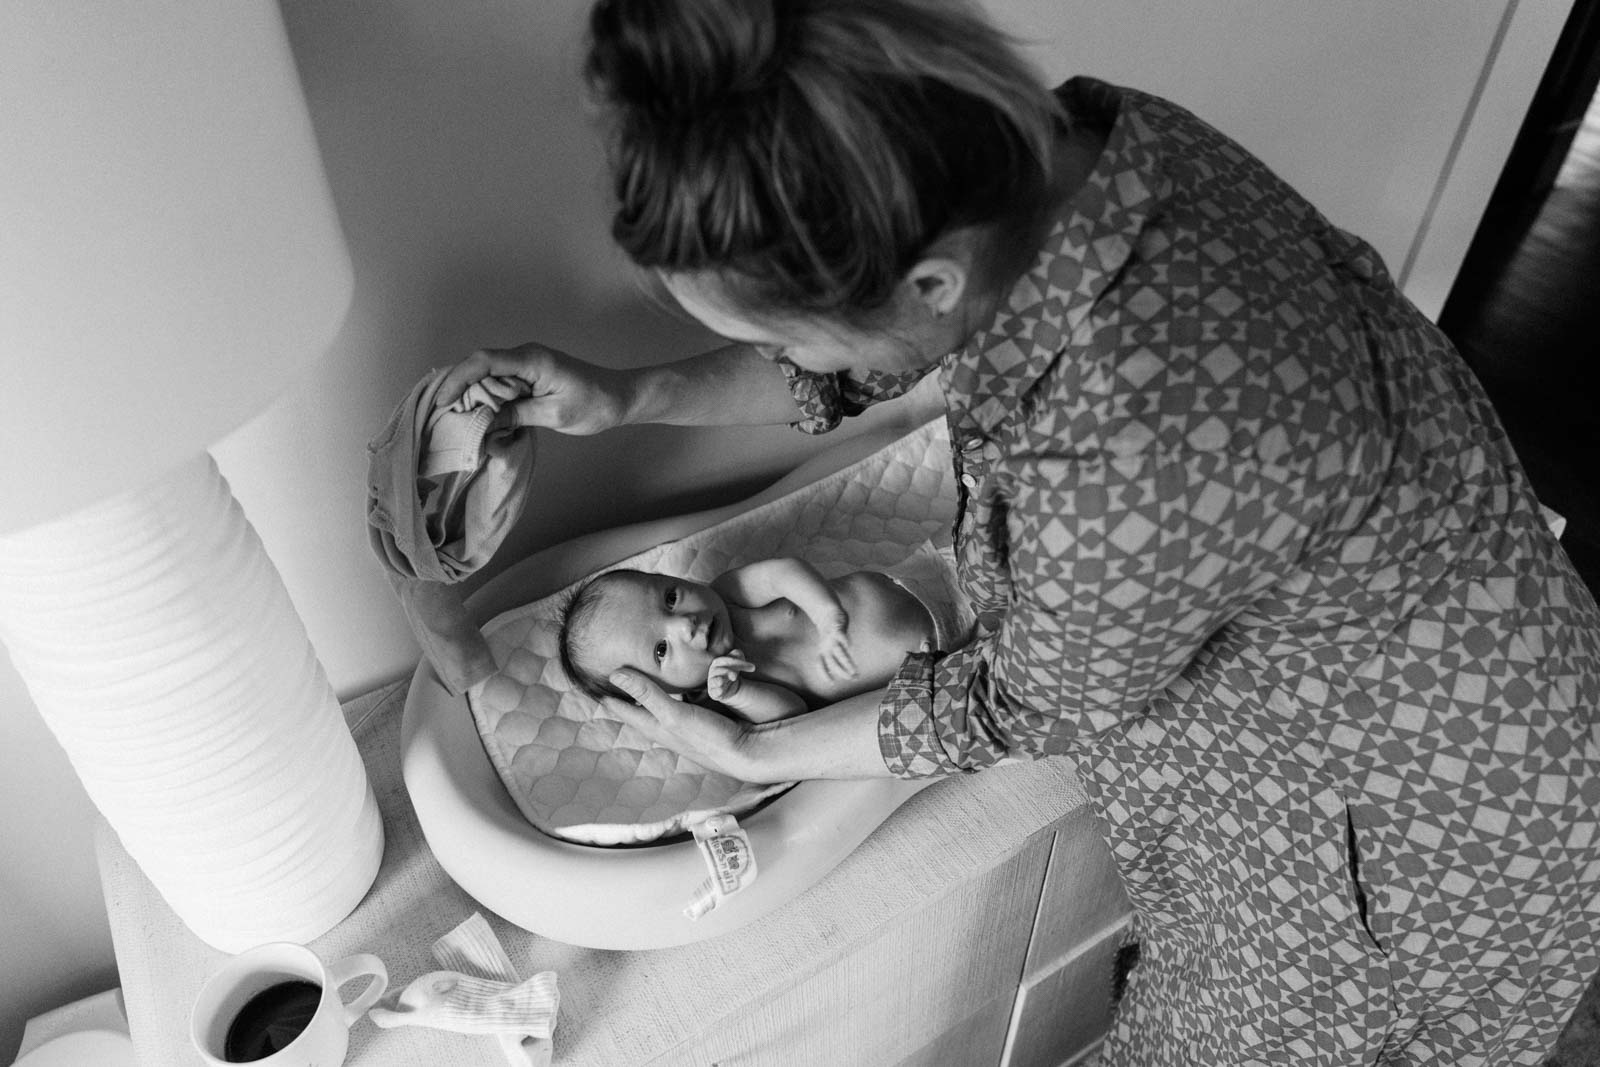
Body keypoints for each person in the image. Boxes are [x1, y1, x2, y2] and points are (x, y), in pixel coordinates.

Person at [436, 0, 1600, 1062]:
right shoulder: (1095, 153)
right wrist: (627, 397)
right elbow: (881, 368)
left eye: (794, 343)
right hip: (1483, 655)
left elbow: (1019, 699)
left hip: (1418, 824)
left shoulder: (1132, 445)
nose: (798, 372)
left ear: (932, 285)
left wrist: (757, 754)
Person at [556, 557, 937, 723]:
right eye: (661, 650)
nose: (685, 624)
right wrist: (738, 694)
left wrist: (824, 614)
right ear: (671, 691)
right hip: (937, 649)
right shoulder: (720, 696)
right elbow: (793, 715)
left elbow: (782, 573)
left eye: (670, 598)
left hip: (918, 578)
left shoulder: (731, 593)